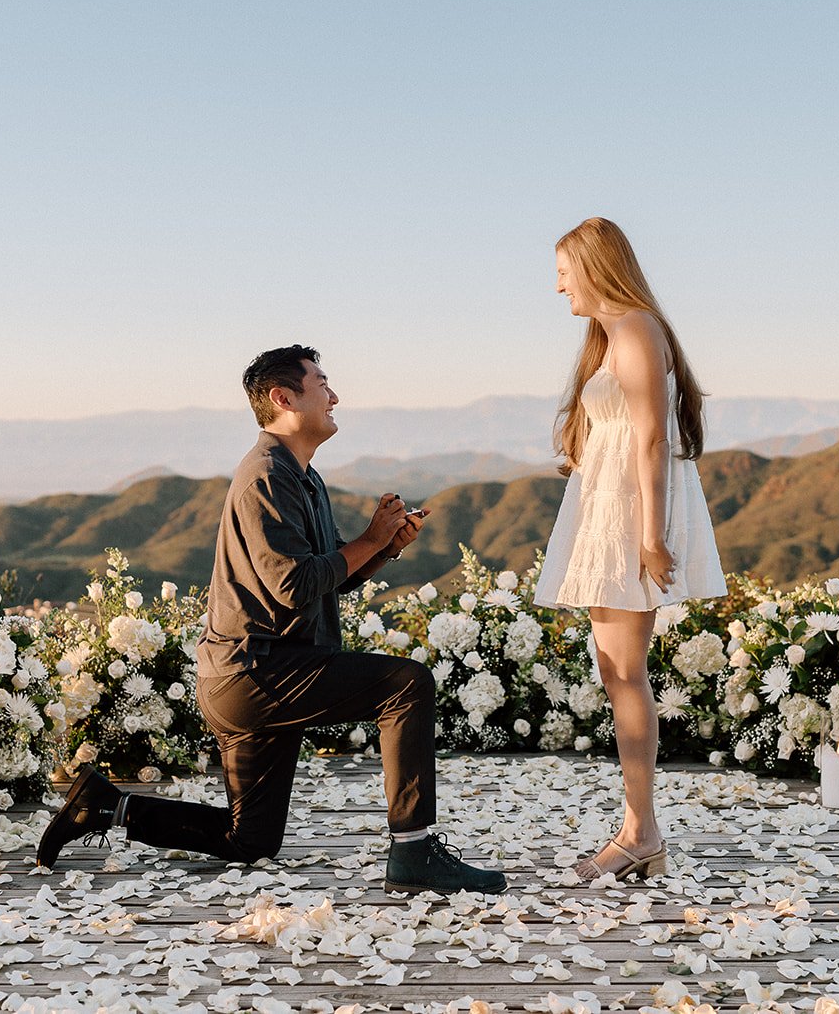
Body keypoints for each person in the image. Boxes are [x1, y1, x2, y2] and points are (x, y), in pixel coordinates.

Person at [38, 345, 506, 895]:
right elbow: (293, 586)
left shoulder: (302, 475)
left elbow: (331, 574)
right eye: (322, 384)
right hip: (255, 672)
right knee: (407, 685)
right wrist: (370, 540)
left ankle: (106, 806)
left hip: (259, 672)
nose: (334, 396)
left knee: (250, 840)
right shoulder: (266, 476)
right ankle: (415, 853)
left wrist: (382, 548)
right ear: (284, 398)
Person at [533, 218, 726, 881]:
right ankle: (638, 827)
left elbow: (650, 438)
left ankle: (641, 830)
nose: (559, 286)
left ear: (593, 266)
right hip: (606, 504)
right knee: (617, 671)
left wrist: (651, 537)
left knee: (626, 673)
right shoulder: (612, 334)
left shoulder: (638, 327)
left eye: (564, 271)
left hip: (630, 513)